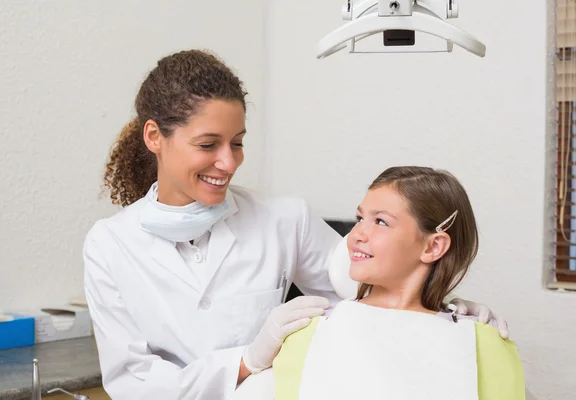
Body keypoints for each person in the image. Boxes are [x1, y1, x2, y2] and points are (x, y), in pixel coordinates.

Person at [83, 50, 507, 399]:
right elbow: (133, 382)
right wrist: (247, 360)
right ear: (154, 137)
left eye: (238, 143)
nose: (229, 163)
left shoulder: (285, 218)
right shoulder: (109, 245)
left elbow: (370, 288)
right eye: (208, 144)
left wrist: (444, 308)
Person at [244, 167, 524, 400]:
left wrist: (473, 333)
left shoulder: (483, 343)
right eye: (359, 218)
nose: (356, 234)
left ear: (433, 246)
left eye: (380, 221)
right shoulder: (308, 332)